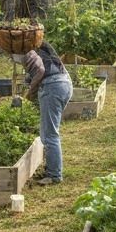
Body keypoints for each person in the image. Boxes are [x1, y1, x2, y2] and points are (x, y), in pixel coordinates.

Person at [23, 40, 74, 185]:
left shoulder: (27, 49)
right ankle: (51, 170)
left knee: (50, 134)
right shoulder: (41, 45)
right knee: (49, 132)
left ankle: (54, 175)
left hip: (52, 87)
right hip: (64, 83)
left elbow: (40, 70)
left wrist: (30, 93)